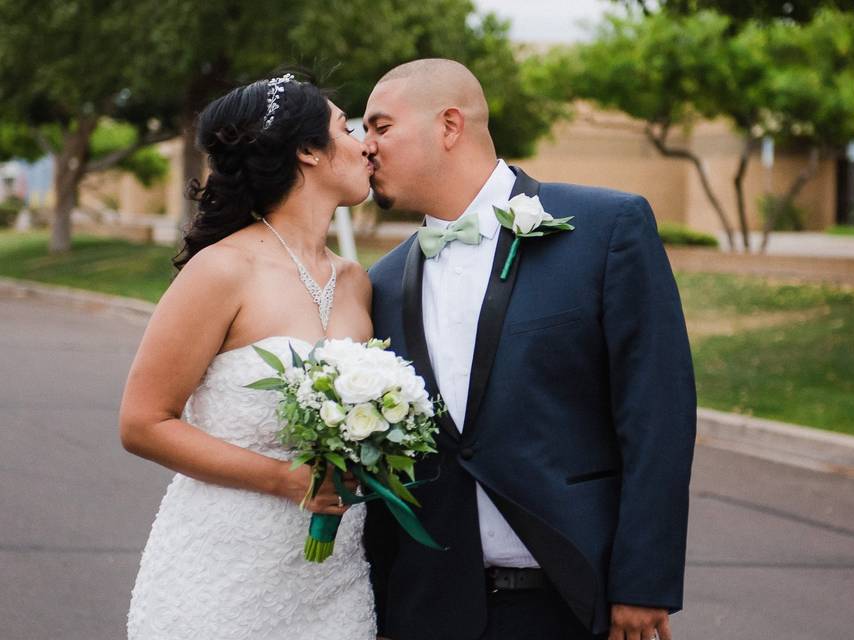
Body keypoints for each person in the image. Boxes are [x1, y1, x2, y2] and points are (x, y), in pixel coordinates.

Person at [362, 59, 697, 640]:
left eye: (380, 127)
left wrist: (644, 581)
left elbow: (657, 413)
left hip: (569, 601)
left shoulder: (604, 228)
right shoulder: (383, 281)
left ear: (448, 126)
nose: (365, 148)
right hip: (431, 607)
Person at [120, 74, 378, 639]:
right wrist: (284, 479)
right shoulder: (223, 269)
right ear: (308, 151)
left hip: (333, 587)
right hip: (222, 574)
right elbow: (142, 423)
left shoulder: (357, 281)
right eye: (347, 127)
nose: (367, 144)